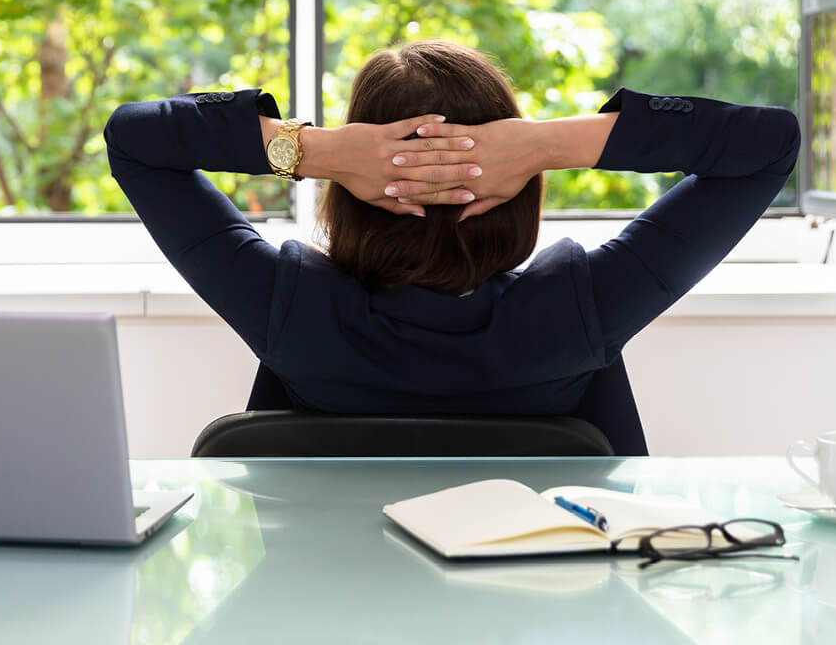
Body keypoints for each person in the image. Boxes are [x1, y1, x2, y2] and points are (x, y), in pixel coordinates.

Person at [103, 40, 800, 452]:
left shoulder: (287, 309)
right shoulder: (581, 311)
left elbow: (135, 139)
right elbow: (767, 147)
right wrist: (550, 143)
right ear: (518, 185)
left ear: (350, 190)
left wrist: (310, 150)